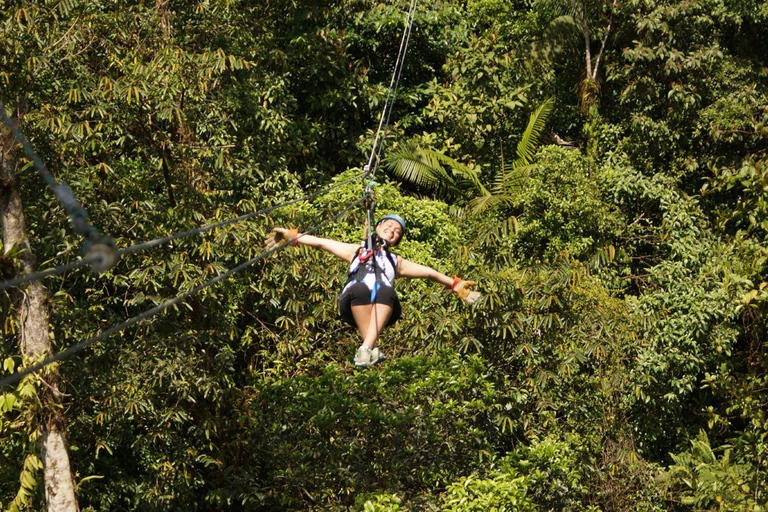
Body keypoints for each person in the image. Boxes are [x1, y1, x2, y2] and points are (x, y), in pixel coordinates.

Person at [265, 213, 480, 368]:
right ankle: (369, 347)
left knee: (386, 289)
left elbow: (430, 273)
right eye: (388, 225)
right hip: (354, 299)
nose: (392, 230)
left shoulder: (396, 261)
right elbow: (321, 243)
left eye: (397, 231)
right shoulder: (355, 250)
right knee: (361, 286)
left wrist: (456, 285)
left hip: (384, 304)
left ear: (397, 240)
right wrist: (292, 236)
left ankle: (366, 349)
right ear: (377, 227)